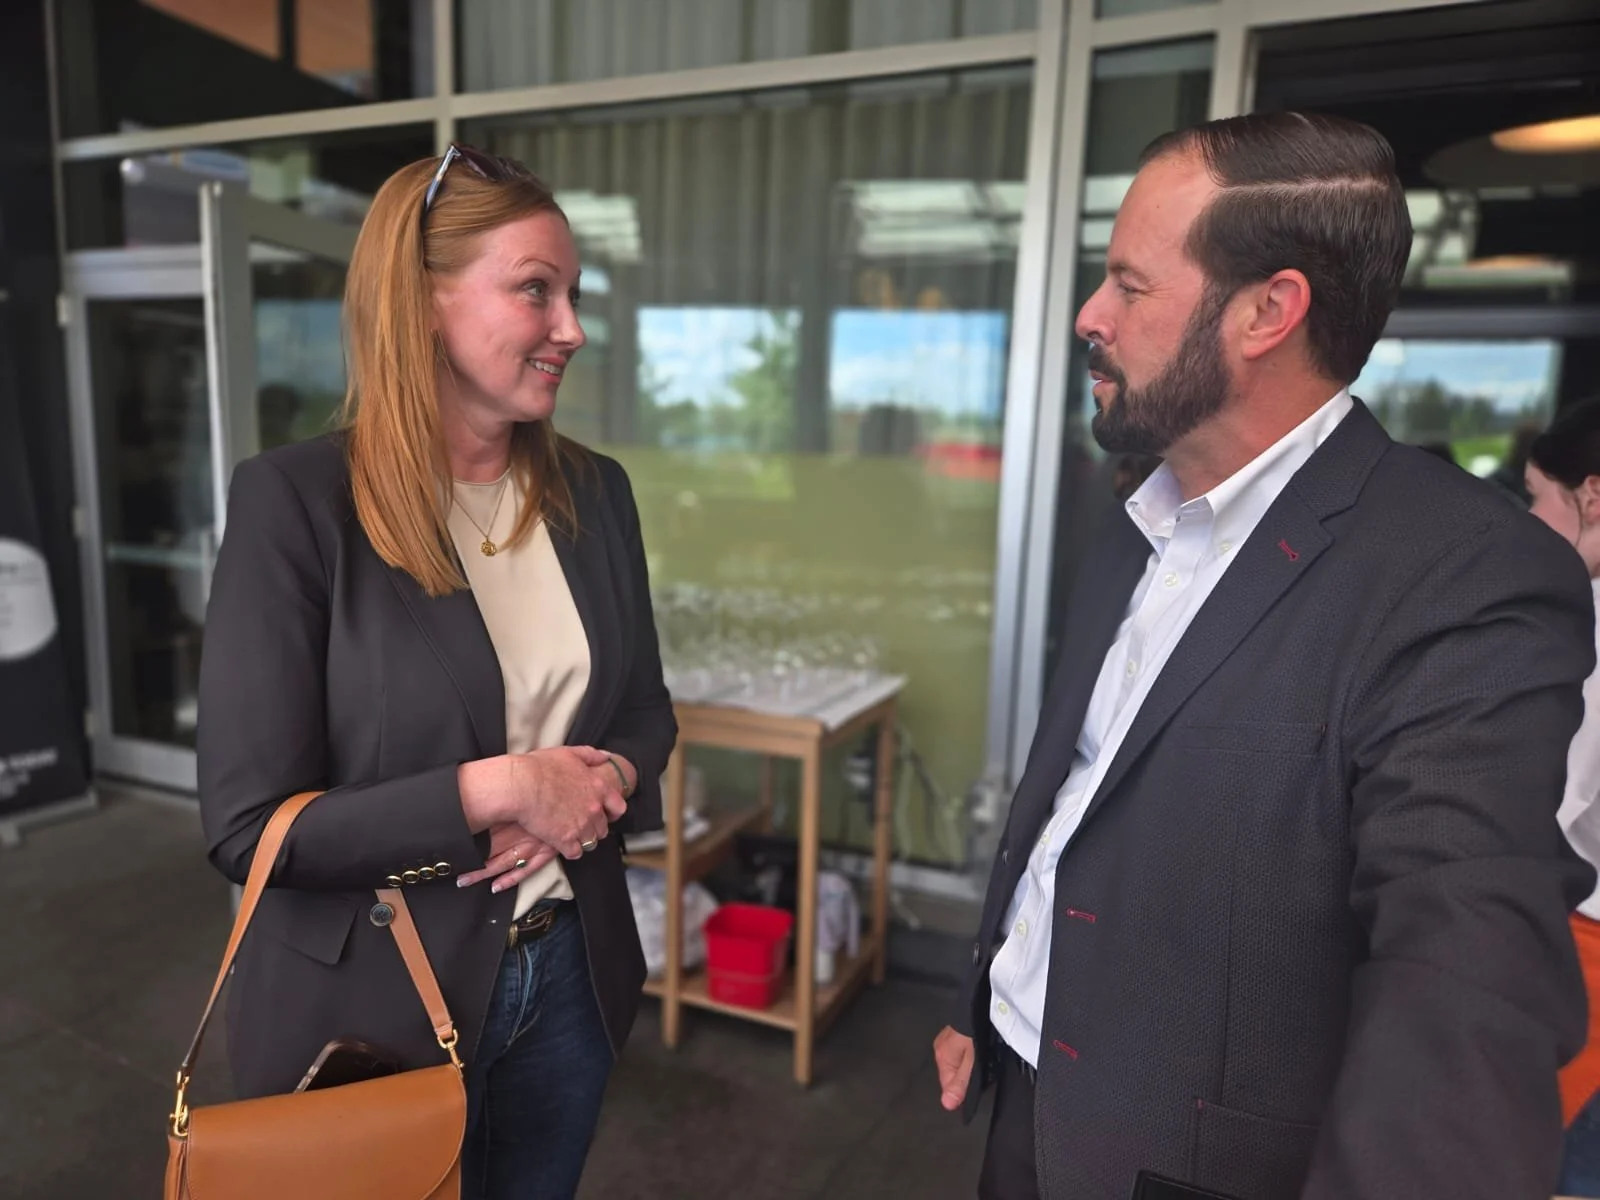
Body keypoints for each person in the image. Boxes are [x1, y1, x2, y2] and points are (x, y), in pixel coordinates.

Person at [933, 111, 1595, 1199]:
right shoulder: (1136, 514)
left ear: (1266, 313)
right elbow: (1074, 793)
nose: (1089, 314)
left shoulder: (1464, 573)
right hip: (1023, 1086)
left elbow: (1466, 964)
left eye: (1129, 284)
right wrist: (986, 996)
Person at [197, 143, 677, 1200]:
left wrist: (599, 785)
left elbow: (646, 710)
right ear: (421, 303)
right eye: (536, 290)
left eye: (575, 295)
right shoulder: (299, 505)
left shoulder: (596, 494)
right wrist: (500, 790)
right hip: (373, 1008)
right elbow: (247, 827)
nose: (572, 328)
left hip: (570, 969)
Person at [1524, 398, 1600, 1196]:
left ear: (1592, 496)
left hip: (1588, 943)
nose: (1529, 520)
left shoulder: (1586, 623)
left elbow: (1551, 801)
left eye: (1535, 496)